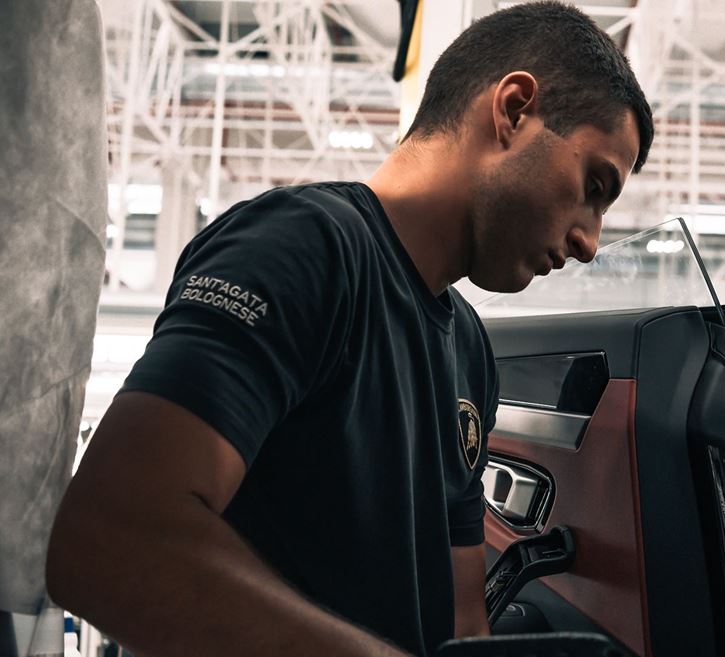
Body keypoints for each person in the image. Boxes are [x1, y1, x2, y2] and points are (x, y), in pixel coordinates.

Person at [44, 3, 653, 656]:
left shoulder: (469, 349)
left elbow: (463, 621)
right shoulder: (303, 249)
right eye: (593, 184)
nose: (590, 241)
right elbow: (110, 536)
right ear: (511, 110)